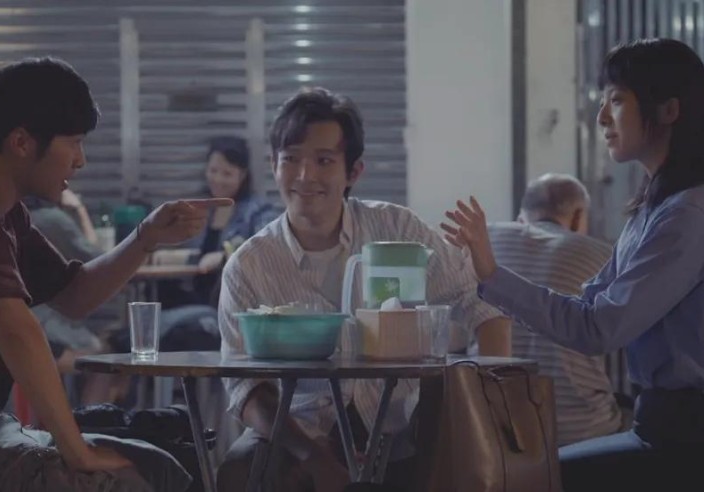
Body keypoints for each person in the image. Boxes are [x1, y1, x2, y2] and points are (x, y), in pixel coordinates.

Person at [0, 56, 231, 491]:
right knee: (115, 481)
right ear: (22, 142)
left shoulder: (4, 211)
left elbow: (75, 296)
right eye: (74, 143)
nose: (81, 160)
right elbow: (15, 326)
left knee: (161, 465)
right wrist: (77, 452)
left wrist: (146, 237)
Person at [444, 39, 704, 492]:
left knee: (530, 481)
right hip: (666, 431)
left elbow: (597, 329)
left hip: (701, 450)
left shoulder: (688, 216)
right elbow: (588, 308)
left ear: (669, 110)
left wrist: (492, 274)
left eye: (616, 100)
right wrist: (492, 275)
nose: (601, 117)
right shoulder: (654, 210)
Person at [215, 87, 511, 492]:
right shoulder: (248, 265)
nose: (305, 176)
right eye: (291, 159)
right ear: (273, 164)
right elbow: (244, 386)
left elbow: (483, 305)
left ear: (353, 172)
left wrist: (485, 403)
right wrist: (311, 455)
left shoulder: (397, 230)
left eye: (323, 160)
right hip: (296, 435)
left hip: (399, 431)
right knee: (239, 468)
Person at [489, 173, 622, 446]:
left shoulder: (486, 245)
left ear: (522, 218)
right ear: (578, 216)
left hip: (497, 431)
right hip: (582, 433)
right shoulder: (606, 257)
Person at [25, 190, 128, 405]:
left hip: (27, 320)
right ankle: (92, 420)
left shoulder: (18, 216)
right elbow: (101, 262)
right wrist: (80, 211)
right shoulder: (53, 219)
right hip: (44, 325)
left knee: (111, 349)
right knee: (105, 356)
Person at [155, 135, 278, 308]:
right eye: (213, 171)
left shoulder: (258, 211)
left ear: (242, 175)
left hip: (233, 299)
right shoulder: (200, 208)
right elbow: (200, 256)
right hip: (194, 294)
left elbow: (265, 248)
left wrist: (224, 256)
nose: (218, 179)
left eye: (227, 174)